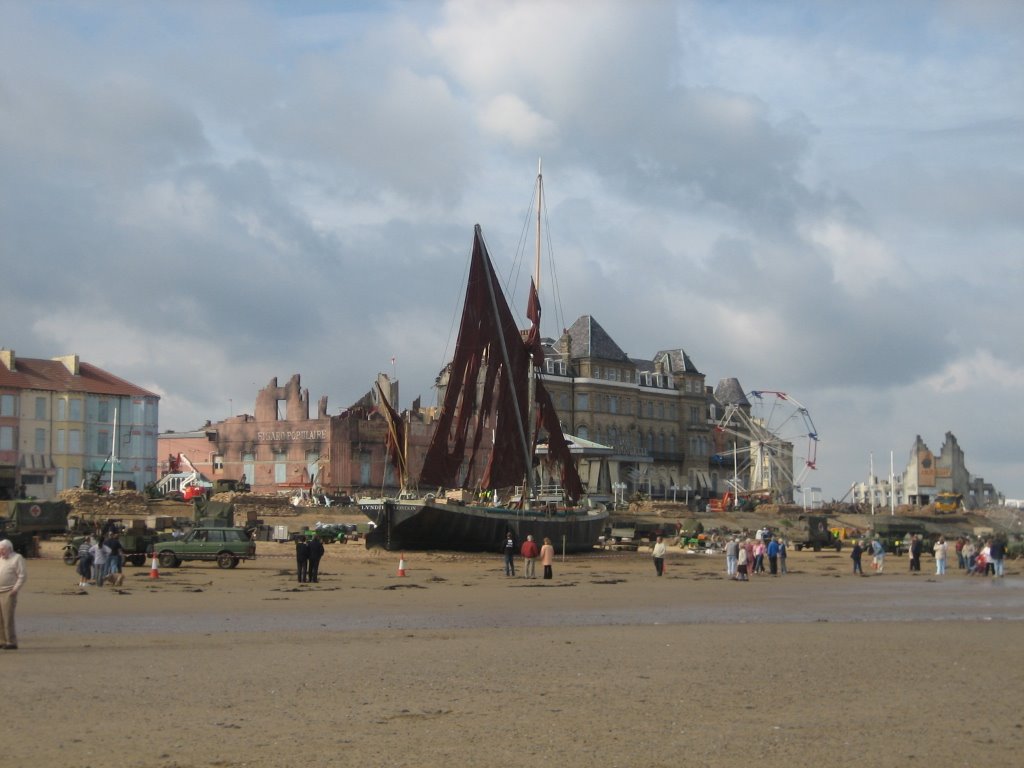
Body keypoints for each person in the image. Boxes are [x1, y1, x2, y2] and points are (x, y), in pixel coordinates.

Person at [0, 539, 27, 649]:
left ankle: (11, 641)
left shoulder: (17, 558)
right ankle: (2, 641)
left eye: (3, 550)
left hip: (9, 592)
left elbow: (22, 575)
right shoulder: (0, 559)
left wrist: (15, 589)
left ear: (9, 549)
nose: (1, 552)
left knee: (8, 618)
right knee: (0, 619)